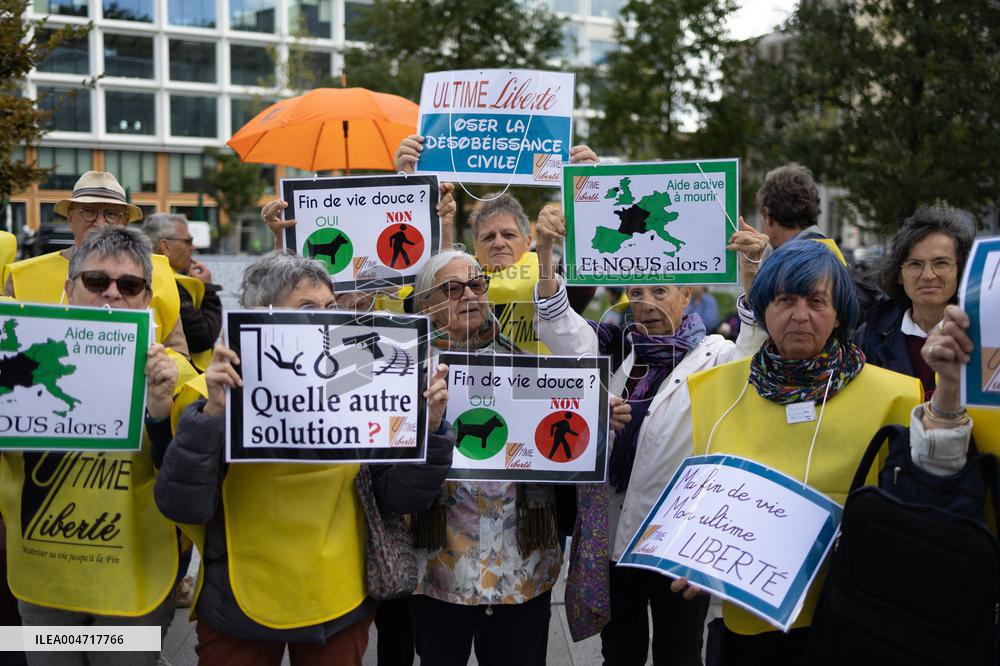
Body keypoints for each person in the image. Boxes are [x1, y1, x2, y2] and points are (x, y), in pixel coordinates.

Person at [673, 240, 974, 665]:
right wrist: (696, 555)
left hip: (854, 622)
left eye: (816, 301)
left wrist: (949, 393)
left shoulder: (894, 394)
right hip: (751, 625)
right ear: (763, 308)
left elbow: (924, 501)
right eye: (785, 300)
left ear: (839, 314)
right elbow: (705, 499)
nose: (800, 315)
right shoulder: (716, 390)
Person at [153, 250, 455, 666]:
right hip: (241, 600)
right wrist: (212, 415)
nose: (325, 319)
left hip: (338, 599)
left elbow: (402, 497)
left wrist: (431, 429)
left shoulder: (364, 386)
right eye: (307, 307)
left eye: (330, 308)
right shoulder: (213, 394)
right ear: (264, 316)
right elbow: (181, 505)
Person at [533, 208, 770, 665]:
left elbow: (754, 348)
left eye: (660, 290)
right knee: (620, 653)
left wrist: (753, 274)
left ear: (687, 295)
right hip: (617, 543)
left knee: (679, 654)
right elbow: (559, 328)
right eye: (637, 292)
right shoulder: (614, 350)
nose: (647, 304)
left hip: (680, 544)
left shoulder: (716, 357)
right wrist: (545, 252)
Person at [406, 248, 628, 666]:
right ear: (426, 305)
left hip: (522, 572)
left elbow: (566, 439)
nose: (469, 295)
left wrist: (597, 418)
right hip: (440, 574)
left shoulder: (529, 367)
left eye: (476, 284)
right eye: (452, 289)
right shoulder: (404, 377)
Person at [0, 227, 190, 666]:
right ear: (69, 288)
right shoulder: (19, 358)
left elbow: (191, 484)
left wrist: (160, 416)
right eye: (96, 280)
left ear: (146, 298)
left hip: (131, 589)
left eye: (130, 285)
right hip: (44, 578)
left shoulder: (175, 374)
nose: (112, 293)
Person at [394, 135, 600, 352]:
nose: (499, 243)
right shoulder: (459, 277)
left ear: (528, 241)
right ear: (475, 245)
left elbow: (583, 272)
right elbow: (431, 283)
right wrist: (411, 186)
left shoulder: (549, 276)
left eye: (509, 235)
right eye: (489, 237)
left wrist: (585, 192)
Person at [3, 171, 188, 355]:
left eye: (111, 214)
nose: (100, 223)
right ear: (70, 217)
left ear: (124, 221)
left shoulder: (159, 274)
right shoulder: (24, 278)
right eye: (89, 211)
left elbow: (180, 356)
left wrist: (160, 365)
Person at [260, 183, 457, 314]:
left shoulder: (396, 310)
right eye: (340, 295)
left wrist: (442, 226)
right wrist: (282, 238)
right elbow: (282, 296)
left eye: (365, 288)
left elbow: (444, 294)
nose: (356, 300)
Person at [854, 206, 973, 400]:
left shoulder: (979, 336)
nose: (928, 275)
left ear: (960, 271)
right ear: (899, 275)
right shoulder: (870, 335)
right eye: (915, 264)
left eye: (941, 263)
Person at [143, 213, 222, 371]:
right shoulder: (172, 285)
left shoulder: (139, 276)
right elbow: (202, 338)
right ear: (165, 246)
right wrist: (208, 291)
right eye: (188, 241)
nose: (193, 247)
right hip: (176, 379)